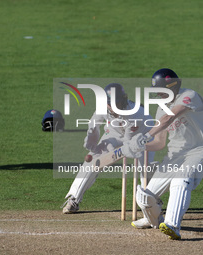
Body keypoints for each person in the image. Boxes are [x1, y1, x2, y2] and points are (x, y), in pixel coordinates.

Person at [122, 68, 203, 240]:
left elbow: (170, 118)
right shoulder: (161, 110)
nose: (160, 95)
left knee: (181, 181)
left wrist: (145, 136)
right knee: (145, 197)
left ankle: (173, 225)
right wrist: (139, 146)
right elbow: (159, 143)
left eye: (162, 91)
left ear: (173, 85)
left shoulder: (189, 96)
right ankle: (154, 220)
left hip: (197, 151)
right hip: (174, 155)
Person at [62, 83, 155, 214]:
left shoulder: (135, 113)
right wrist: (92, 144)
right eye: (110, 104)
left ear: (123, 100)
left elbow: (128, 145)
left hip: (142, 135)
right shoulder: (103, 107)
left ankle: (152, 204)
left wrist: (111, 155)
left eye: (116, 104)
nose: (113, 108)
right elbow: (93, 125)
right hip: (115, 133)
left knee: (144, 168)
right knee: (92, 161)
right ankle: (74, 199)